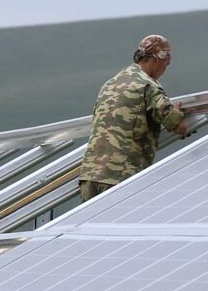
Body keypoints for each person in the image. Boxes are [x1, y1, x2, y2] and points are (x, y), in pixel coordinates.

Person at [78, 34, 191, 201]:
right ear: (158, 58)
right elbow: (179, 126)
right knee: (121, 226)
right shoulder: (147, 85)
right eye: (166, 63)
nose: (166, 68)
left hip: (89, 176)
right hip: (121, 174)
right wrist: (176, 112)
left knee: (91, 227)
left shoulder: (110, 84)